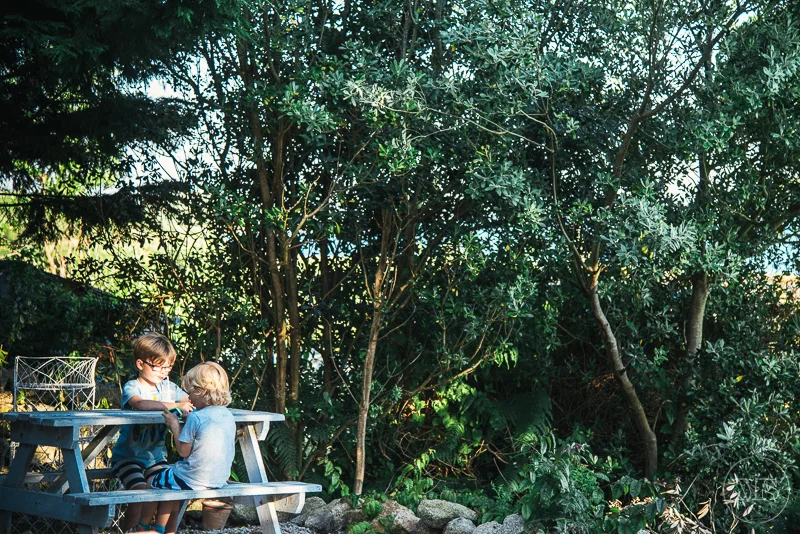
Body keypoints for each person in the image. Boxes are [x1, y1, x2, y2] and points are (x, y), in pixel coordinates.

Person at [110, 332, 194, 533]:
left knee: (172, 490)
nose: (164, 372)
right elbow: (140, 404)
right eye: (159, 366)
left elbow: (189, 400)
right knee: (140, 494)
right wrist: (176, 405)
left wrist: (187, 405)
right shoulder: (133, 386)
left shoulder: (168, 387)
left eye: (168, 367)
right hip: (128, 458)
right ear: (141, 364)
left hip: (156, 459)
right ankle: (131, 531)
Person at [147, 361, 236, 534]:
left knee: (152, 481)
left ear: (201, 391)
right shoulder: (227, 415)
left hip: (192, 479)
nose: (188, 398)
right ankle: (167, 529)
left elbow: (183, 451)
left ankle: (153, 528)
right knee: (170, 481)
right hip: (218, 480)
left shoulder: (196, 418)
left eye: (190, 392)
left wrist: (174, 426)